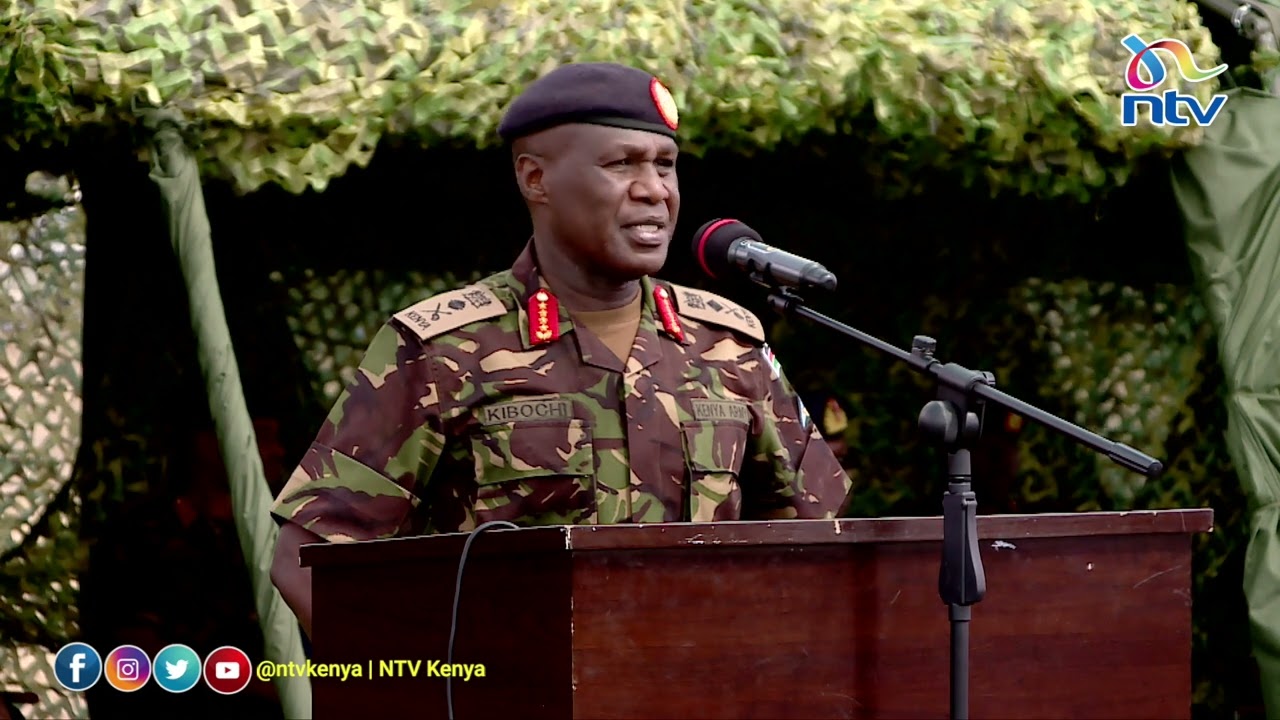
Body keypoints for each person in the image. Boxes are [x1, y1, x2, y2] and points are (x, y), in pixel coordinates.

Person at [269, 62, 853, 638]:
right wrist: (442, 689)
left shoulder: (728, 342)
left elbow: (812, 535)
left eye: (665, 166)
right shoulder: (444, 348)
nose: (653, 190)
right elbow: (308, 555)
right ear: (535, 179)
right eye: (620, 163)